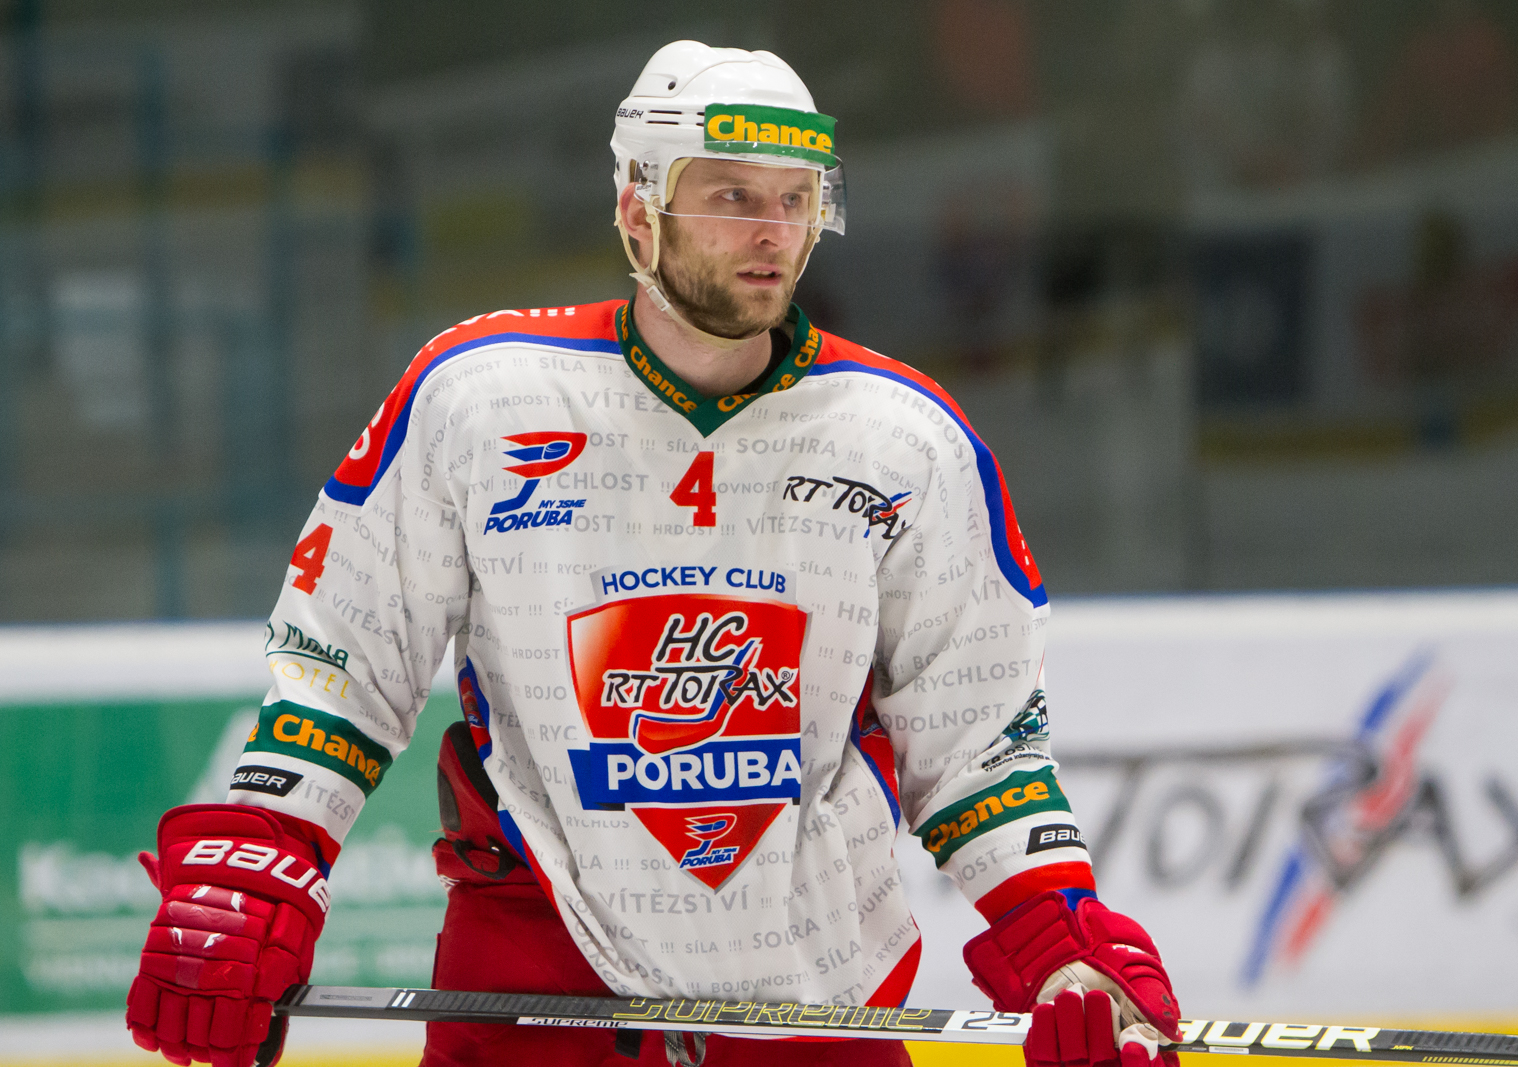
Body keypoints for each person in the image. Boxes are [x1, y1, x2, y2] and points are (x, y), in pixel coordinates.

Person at [124, 41, 1181, 1067]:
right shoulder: (481, 396)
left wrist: (1061, 939)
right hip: (534, 1000)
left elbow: (981, 742)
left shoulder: (905, 438)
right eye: (732, 195)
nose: (772, 229)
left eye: (796, 197)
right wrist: (260, 859)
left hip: (813, 1006)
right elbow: (345, 664)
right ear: (638, 210)